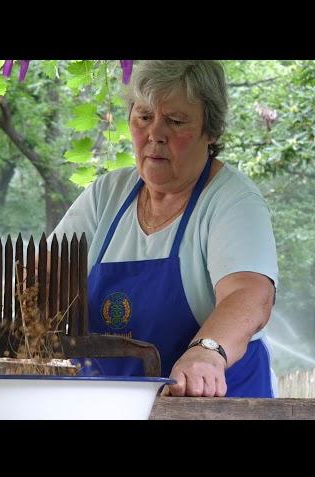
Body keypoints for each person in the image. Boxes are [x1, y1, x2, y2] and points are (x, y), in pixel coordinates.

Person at [51, 60, 278, 397]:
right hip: (111, 404)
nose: (155, 134)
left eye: (175, 121)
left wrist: (207, 352)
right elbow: (46, 278)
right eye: (144, 117)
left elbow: (249, 294)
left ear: (210, 130)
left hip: (215, 407)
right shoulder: (105, 195)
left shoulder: (232, 200)